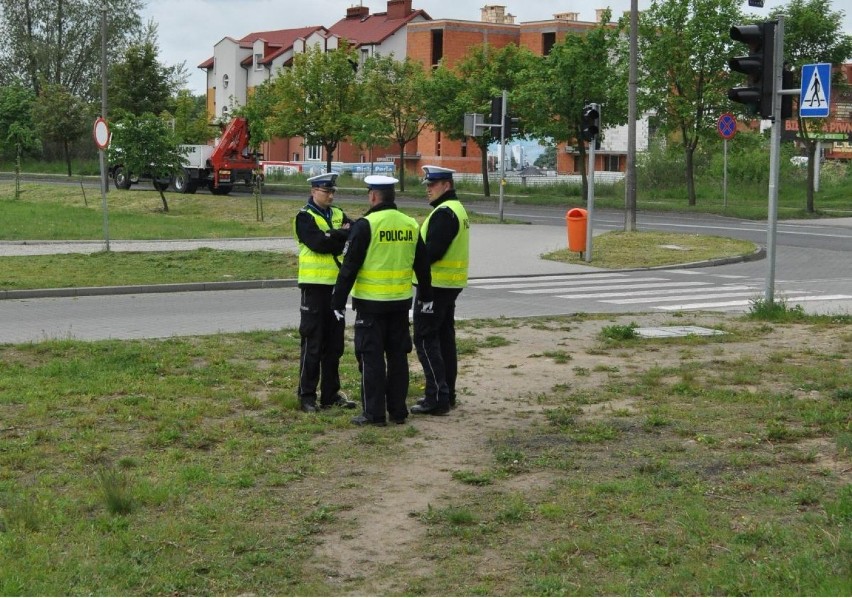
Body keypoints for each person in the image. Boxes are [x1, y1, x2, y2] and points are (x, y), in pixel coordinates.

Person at [331, 175, 433, 426]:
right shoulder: (410, 224)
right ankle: (398, 411)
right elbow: (423, 264)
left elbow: (349, 267)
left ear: (374, 196)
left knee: (371, 358)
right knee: (398, 357)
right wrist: (427, 296)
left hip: (371, 305)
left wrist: (337, 301)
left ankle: (374, 414)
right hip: (400, 303)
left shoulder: (367, 224)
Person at [294, 172, 357, 413]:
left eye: (332, 191)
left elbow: (353, 232)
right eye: (325, 191)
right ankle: (307, 396)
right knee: (312, 342)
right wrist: (339, 235)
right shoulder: (304, 216)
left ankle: (330, 394)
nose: (330, 195)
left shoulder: (339, 214)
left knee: (334, 345)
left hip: (336, 288)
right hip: (313, 288)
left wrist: (335, 235)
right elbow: (318, 244)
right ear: (313, 191)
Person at [410, 165, 470, 416]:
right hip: (448, 285)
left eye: (432, 185)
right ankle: (448, 392)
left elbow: (432, 252)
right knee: (444, 340)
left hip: (434, 287)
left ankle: (436, 397)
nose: (428, 190)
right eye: (427, 185)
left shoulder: (445, 213)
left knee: (424, 339)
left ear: (446, 185)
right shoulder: (456, 209)